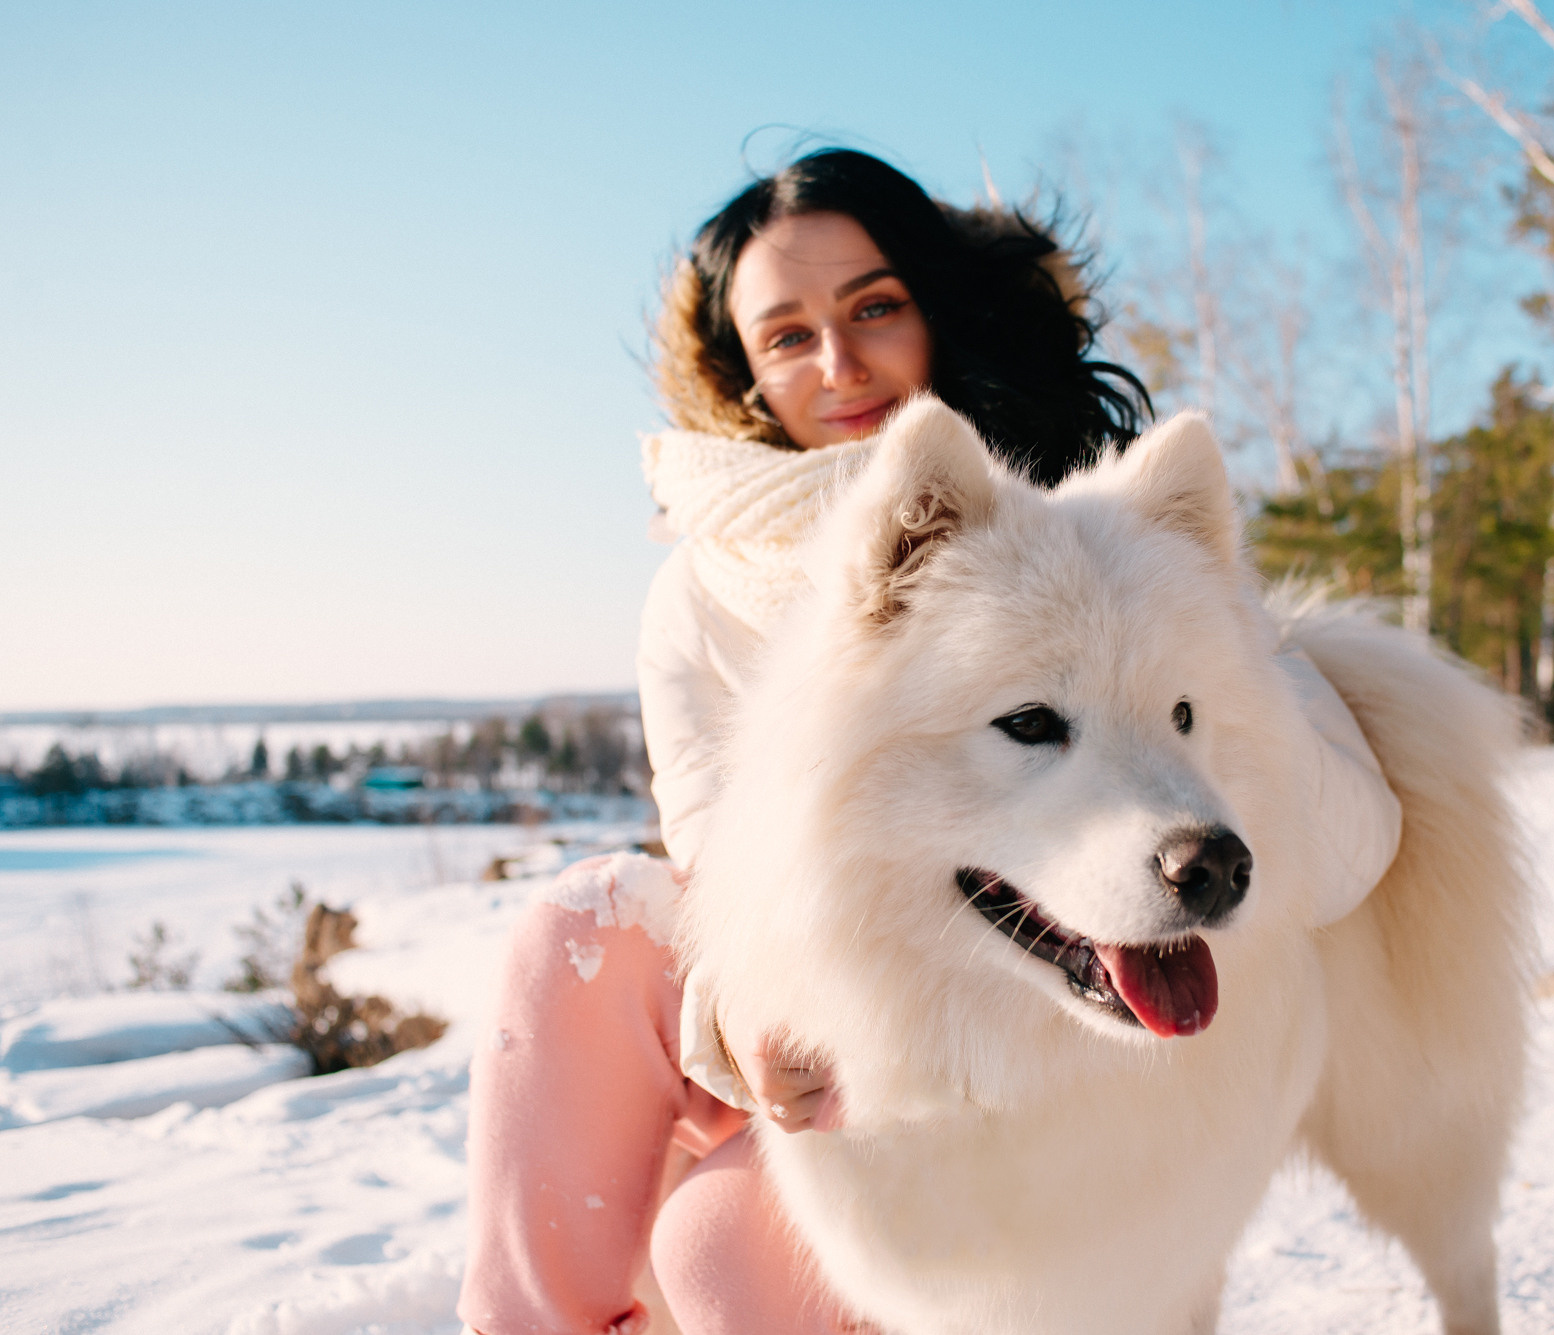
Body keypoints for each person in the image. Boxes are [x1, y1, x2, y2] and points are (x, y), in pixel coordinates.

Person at [456, 148, 1402, 1335]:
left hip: (1029, 1065)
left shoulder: (1105, 528)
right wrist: (745, 1013)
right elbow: (721, 859)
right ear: (740, 372)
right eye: (787, 334)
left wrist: (1221, 692)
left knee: (716, 1248)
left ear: (937, 308)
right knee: (574, 928)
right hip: (843, 1009)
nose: (840, 364)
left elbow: (1339, 840)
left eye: (874, 307)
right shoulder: (703, 586)